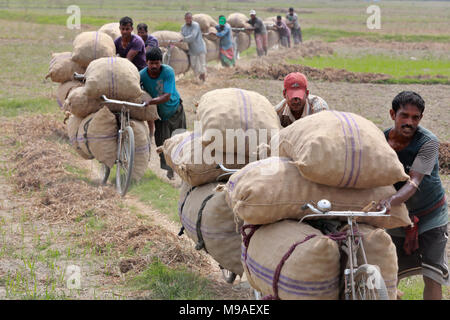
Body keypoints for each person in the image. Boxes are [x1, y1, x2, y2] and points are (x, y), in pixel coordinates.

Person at [376, 91, 448, 300]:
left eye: (415, 117)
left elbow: (414, 181)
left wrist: (390, 201)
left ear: (421, 119)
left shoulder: (428, 142)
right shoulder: (380, 141)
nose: (409, 122)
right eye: (404, 116)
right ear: (392, 114)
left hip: (431, 215)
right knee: (390, 274)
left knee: (433, 275)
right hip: (397, 215)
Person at [140, 47, 187, 180]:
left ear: (161, 62)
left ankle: (183, 168)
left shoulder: (168, 72)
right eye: (151, 63)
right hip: (159, 116)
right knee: (162, 143)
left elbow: (166, 96)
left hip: (175, 109)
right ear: (146, 62)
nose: (154, 66)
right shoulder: (142, 75)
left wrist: (150, 102)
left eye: (157, 63)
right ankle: (169, 169)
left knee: (180, 140)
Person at [181, 12, 207, 83]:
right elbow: (181, 35)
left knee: (202, 64)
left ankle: (203, 79)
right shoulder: (183, 27)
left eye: (189, 18)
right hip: (192, 49)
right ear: (185, 19)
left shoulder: (196, 25)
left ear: (192, 18)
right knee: (194, 65)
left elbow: (193, 36)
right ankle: (198, 78)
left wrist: (183, 39)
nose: (188, 20)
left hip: (200, 47)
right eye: (187, 18)